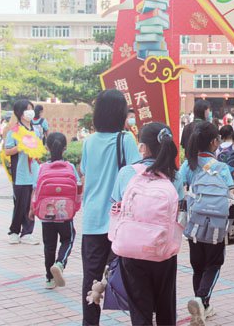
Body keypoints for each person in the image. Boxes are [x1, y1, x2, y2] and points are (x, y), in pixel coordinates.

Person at [79, 89, 141, 326]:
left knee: (91, 279)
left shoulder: (89, 141)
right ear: (120, 113)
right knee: (129, 276)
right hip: (119, 220)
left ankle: (90, 323)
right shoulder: (126, 139)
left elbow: (85, 172)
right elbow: (137, 174)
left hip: (92, 219)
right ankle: (139, 319)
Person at [111, 123, 181, 326]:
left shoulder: (127, 173)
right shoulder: (174, 175)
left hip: (131, 250)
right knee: (166, 306)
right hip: (163, 250)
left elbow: (116, 205)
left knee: (140, 309)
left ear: (142, 147)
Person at [179, 122, 234, 326]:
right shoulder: (221, 167)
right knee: (214, 264)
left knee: (198, 266)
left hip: (194, 224)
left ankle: (201, 306)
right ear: (214, 142)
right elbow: (231, 193)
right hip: (216, 226)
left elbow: (179, 191)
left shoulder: (188, 165)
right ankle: (202, 300)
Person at [30, 132, 79, 290]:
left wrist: (32, 209)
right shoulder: (70, 167)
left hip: (46, 215)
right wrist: (76, 207)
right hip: (65, 214)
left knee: (49, 246)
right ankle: (60, 263)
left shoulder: (42, 168)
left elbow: (35, 190)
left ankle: (49, 279)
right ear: (65, 148)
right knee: (68, 239)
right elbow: (78, 188)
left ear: (47, 147)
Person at [5, 99, 40, 245]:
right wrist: (20, 146)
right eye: (27, 109)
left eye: (31, 108)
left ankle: (27, 232)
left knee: (31, 203)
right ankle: (14, 231)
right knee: (20, 203)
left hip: (34, 172)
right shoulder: (14, 131)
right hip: (20, 173)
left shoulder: (36, 130)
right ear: (20, 113)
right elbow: (7, 151)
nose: (30, 112)